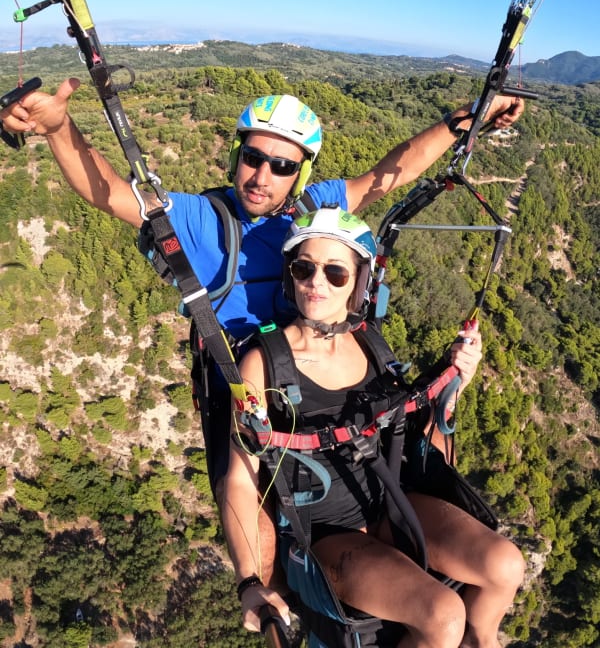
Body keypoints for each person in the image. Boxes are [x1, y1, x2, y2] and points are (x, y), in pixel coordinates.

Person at [0, 81, 523, 507]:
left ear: (301, 174)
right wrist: (59, 129)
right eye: (254, 157)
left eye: (283, 166)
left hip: (330, 362)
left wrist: (468, 116)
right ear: (236, 155)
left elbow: (391, 174)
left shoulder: (309, 209)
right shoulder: (205, 221)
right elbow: (112, 191)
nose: (263, 176)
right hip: (265, 389)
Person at [222, 206, 525, 648]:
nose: (316, 282)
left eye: (335, 273)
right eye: (304, 268)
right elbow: (241, 479)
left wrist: (454, 385)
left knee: (506, 564)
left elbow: (409, 432)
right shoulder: (263, 364)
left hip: (390, 503)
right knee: (442, 615)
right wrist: (250, 579)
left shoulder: (370, 344)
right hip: (326, 534)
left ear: (358, 282)